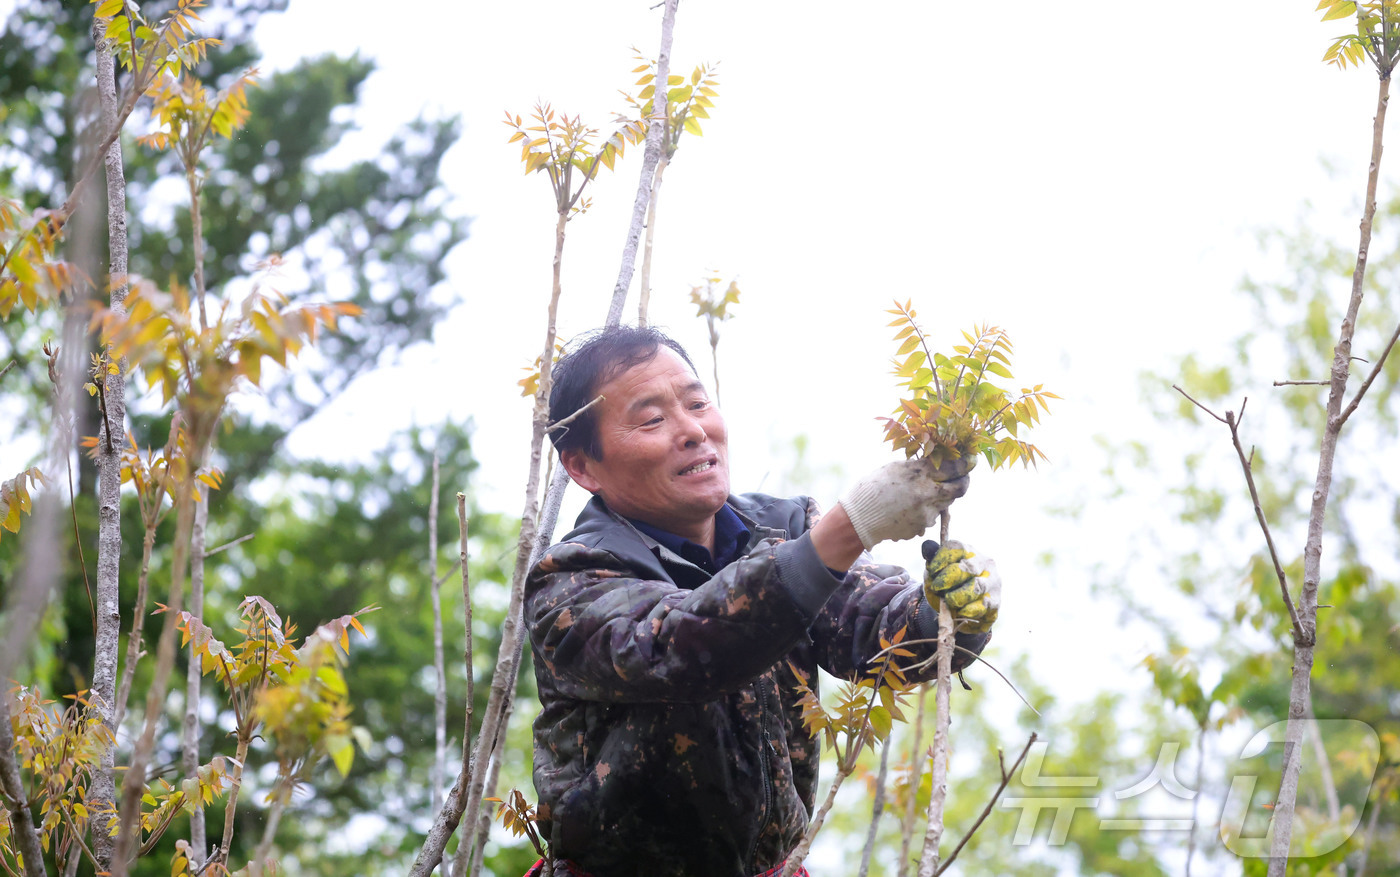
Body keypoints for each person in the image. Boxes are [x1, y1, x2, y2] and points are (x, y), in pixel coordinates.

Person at [524, 326, 1003, 877]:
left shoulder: (784, 526)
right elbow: (685, 646)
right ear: (582, 467)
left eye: (698, 403)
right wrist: (850, 529)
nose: (692, 431)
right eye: (652, 418)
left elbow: (880, 639)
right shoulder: (569, 579)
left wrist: (951, 614)